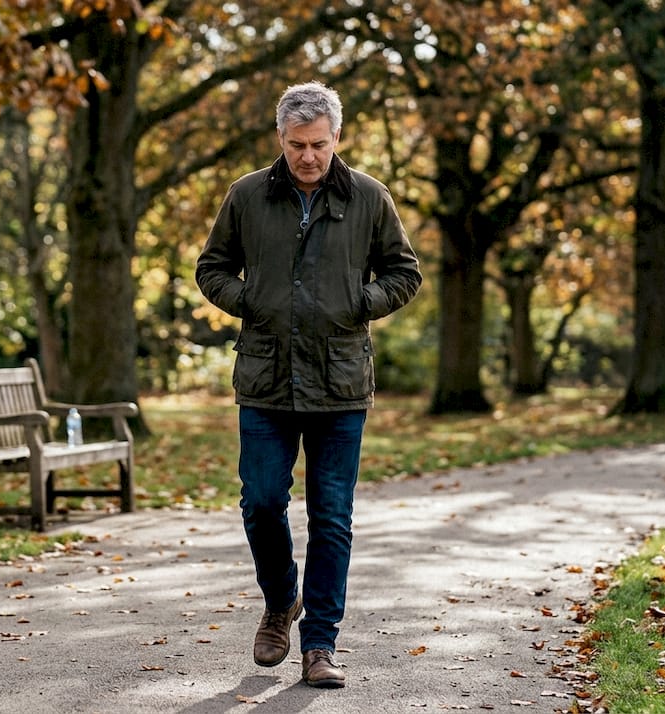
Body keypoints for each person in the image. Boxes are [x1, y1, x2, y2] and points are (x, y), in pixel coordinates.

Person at [195, 81, 422, 688]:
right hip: (266, 377)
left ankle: (319, 643)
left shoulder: (371, 198)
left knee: (332, 517)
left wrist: (360, 302)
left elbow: (405, 271)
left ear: (337, 137)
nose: (308, 157)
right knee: (262, 500)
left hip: (341, 382)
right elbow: (211, 267)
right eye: (297, 145)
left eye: (319, 145)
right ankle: (279, 602)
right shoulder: (245, 196)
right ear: (280, 139)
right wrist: (250, 301)